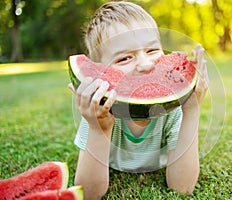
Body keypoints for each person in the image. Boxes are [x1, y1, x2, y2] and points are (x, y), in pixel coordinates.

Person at [68, 1, 209, 199]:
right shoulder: (96, 112)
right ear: (101, 72)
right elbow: (89, 195)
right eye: (124, 58)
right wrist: (98, 128)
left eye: (152, 51)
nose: (144, 64)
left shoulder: (171, 111)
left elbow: (182, 189)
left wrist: (192, 110)